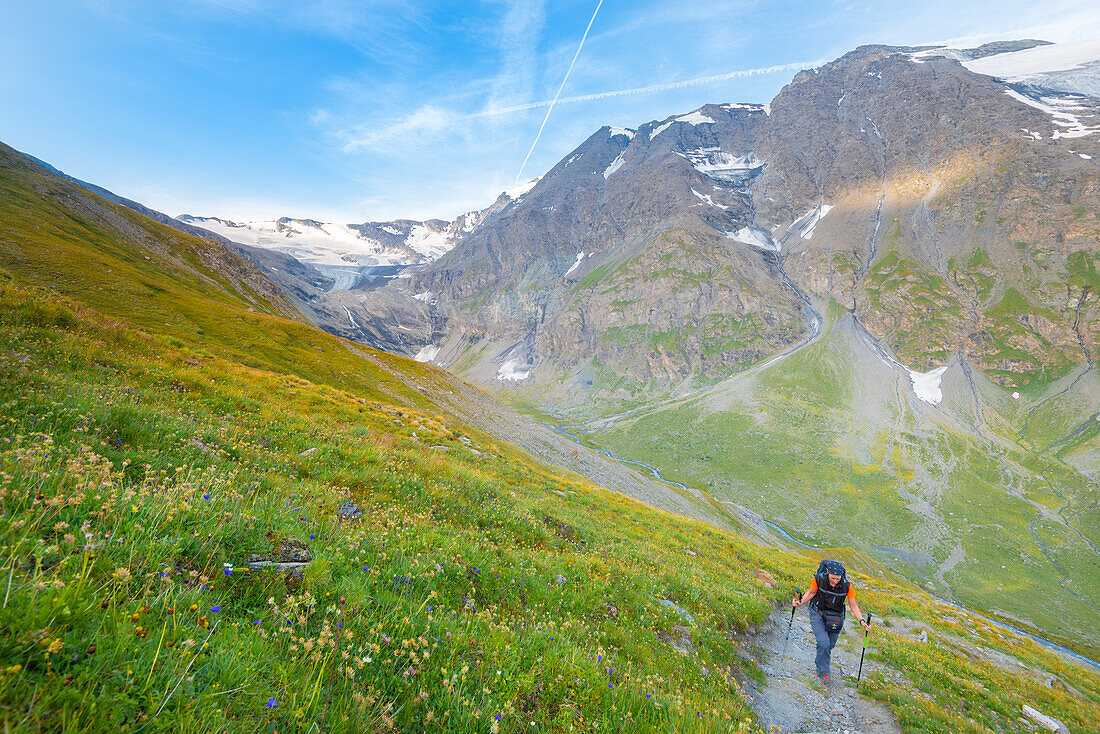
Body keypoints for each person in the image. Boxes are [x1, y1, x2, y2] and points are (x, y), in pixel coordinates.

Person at [792, 559, 870, 682]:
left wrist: (861, 621)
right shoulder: (819, 579)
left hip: (836, 616)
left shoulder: (847, 586)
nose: (834, 582)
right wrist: (800, 602)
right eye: (832, 578)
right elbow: (811, 593)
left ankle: (820, 659)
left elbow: (853, 606)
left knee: (830, 645)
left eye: (837, 579)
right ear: (827, 572)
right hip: (817, 612)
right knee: (824, 643)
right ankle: (823, 671)